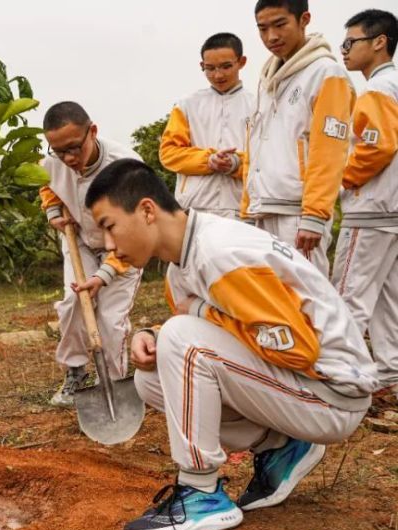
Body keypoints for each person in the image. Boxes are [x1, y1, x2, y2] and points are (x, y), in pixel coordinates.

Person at [84, 159, 376, 530]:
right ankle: (281, 447)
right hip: (300, 387)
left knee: (182, 339)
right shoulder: (182, 266)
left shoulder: (220, 253)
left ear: (146, 211)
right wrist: (154, 333)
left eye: (109, 226)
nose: (108, 245)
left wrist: (189, 322)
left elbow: (297, 349)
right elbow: (215, 330)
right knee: (151, 379)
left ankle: (201, 495)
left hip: (334, 395)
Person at [38, 101, 143, 407]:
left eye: (75, 148)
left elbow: (135, 235)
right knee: (72, 303)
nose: (69, 158)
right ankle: (75, 372)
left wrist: (104, 275)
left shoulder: (126, 168)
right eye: (60, 152)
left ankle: (111, 382)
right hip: (81, 240)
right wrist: (53, 211)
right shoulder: (52, 162)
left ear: (92, 132)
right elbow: (48, 186)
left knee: (110, 320)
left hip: (126, 249)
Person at [243, 0, 356, 275]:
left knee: (305, 301)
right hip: (264, 207)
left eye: (280, 24)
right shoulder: (268, 78)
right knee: (272, 300)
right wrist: (247, 208)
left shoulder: (327, 73)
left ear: (304, 19)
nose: (271, 36)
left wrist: (315, 215)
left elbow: (330, 150)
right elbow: (254, 146)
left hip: (298, 212)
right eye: (263, 28)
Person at [333, 8, 398, 393]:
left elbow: (377, 146)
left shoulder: (376, 89)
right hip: (392, 211)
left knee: (348, 297)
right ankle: (390, 377)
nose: (344, 50)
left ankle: (342, 384)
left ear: (379, 42)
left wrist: (342, 181)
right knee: (388, 301)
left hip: (371, 209)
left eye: (349, 42)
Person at [160, 32, 254, 219]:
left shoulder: (259, 105)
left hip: (241, 209)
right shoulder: (186, 104)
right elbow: (168, 153)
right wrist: (209, 160)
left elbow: (267, 160)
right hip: (193, 208)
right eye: (210, 68)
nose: (218, 75)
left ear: (241, 62)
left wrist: (236, 163)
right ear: (201, 66)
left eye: (226, 66)